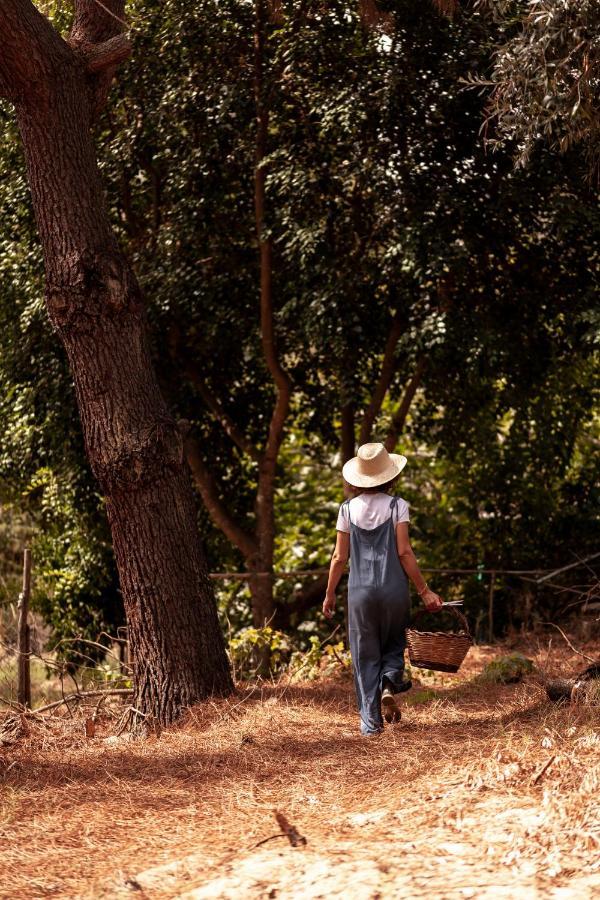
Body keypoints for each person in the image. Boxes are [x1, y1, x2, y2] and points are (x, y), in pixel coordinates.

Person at [323, 442, 443, 736]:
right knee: (393, 643)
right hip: (394, 590)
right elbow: (404, 552)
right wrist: (424, 589)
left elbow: (339, 557)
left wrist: (329, 594)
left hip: (360, 594)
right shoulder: (397, 506)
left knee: (365, 653)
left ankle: (370, 724)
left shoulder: (347, 510)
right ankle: (389, 683)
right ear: (389, 476)